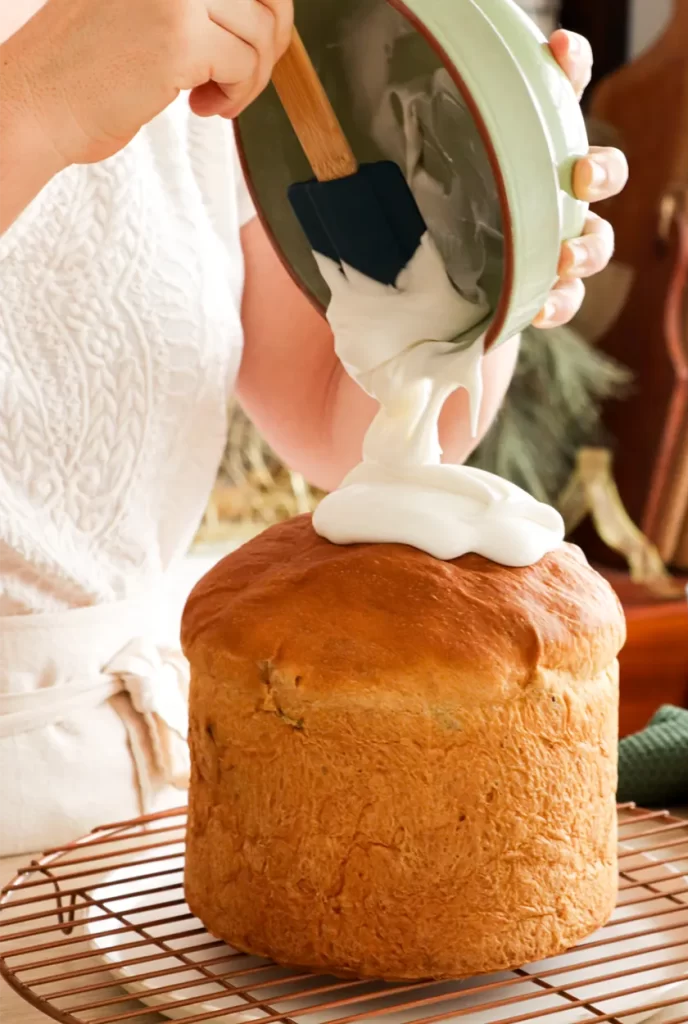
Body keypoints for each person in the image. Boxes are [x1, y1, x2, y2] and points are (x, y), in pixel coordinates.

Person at [0, 0, 629, 855]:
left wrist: (490, 229)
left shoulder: (202, 29)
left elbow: (348, 421)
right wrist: (34, 103)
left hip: (132, 811)